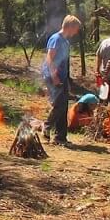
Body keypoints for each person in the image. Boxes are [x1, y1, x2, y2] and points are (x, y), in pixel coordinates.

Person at [42, 14, 81, 146]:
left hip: (62, 77)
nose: (76, 32)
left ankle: (60, 137)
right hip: (53, 76)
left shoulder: (65, 41)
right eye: (76, 29)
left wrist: (67, 80)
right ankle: (46, 126)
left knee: (64, 106)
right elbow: (49, 59)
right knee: (59, 104)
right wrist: (54, 76)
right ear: (69, 27)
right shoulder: (56, 39)